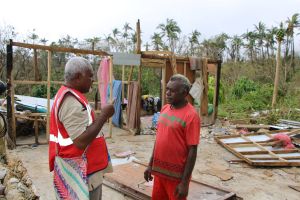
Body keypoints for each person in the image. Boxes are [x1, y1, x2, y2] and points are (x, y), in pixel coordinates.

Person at [49, 57, 115, 200]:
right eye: (90, 76)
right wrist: (104, 116)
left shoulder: (70, 96)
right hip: (81, 171)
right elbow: (80, 141)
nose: (93, 80)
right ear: (78, 77)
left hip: (80, 166)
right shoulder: (70, 102)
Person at [144, 74, 201, 200]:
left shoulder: (191, 116)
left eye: (172, 91)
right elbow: (158, 140)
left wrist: (184, 183)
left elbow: (193, 150)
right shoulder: (164, 109)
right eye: (167, 89)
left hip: (176, 178)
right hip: (159, 173)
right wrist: (150, 165)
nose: (168, 93)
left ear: (184, 93)